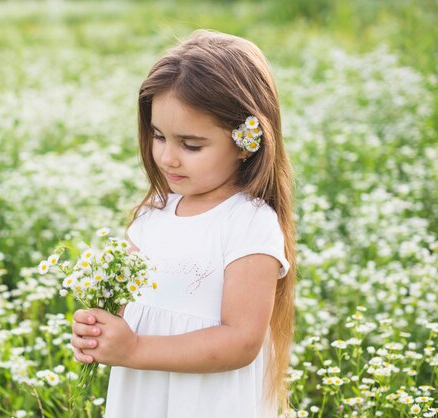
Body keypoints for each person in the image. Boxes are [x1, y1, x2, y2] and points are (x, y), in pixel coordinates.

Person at [71, 29, 296, 418]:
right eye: (158, 136)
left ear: (247, 141)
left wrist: (136, 350)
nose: (168, 158)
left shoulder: (248, 224)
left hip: (212, 404)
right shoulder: (150, 218)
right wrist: (99, 332)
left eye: (191, 145)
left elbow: (242, 341)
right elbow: (129, 316)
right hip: (144, 399)